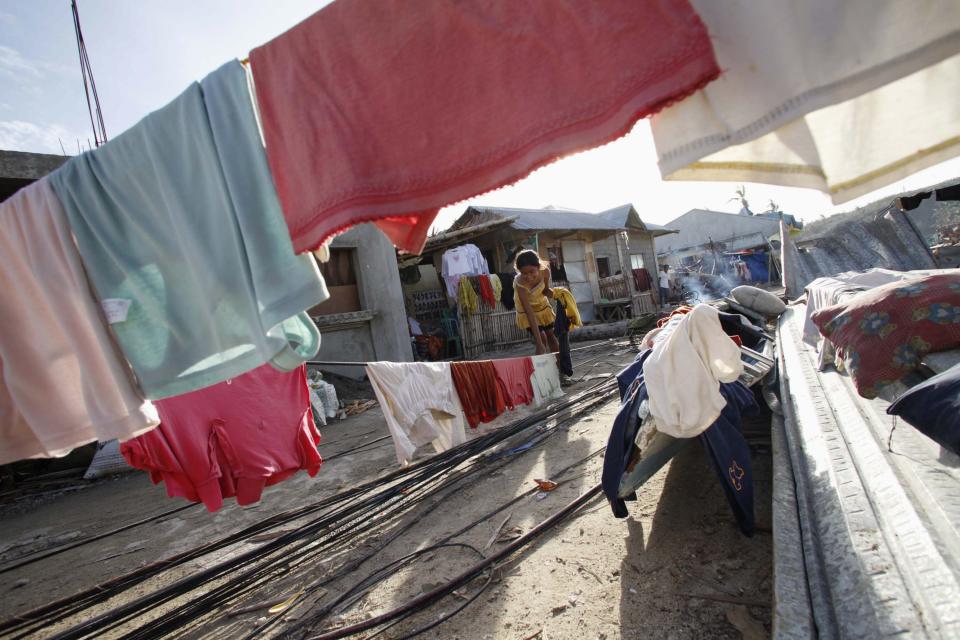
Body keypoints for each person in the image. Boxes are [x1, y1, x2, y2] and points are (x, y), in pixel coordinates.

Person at [513, 250, 560, 355]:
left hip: (542, 306)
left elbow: (546, 291)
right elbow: (529, 313)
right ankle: (541, 367)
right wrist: (539, 344)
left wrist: (560, 294)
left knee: (551, 335)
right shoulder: (520, 285)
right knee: (542, 338)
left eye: (532, 272)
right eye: (524, 273)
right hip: (527, 312)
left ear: (538, 267)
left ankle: (560, 366)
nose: (528, 276)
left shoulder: (545, 272)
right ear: (519, 271)